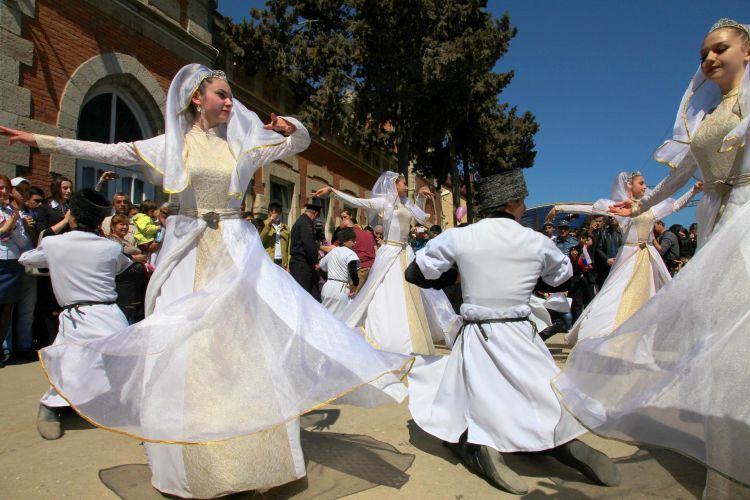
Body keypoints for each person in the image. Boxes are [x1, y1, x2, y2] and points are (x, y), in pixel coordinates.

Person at [1, 64, 409, 498]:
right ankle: (191, 460)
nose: (231, 102)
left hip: (235, 249)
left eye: (232, 96)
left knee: (242, 349)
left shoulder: (243, 143)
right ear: (197, 98)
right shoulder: (172, 145)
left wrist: (292, 126)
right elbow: (113, 151)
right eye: (222, 95)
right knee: (185, 348)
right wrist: (41, 139)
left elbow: (299, 143)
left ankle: (252, 459)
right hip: (190, 248)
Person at [555, 19, 750, 497]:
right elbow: (681, 174)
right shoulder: (704, 120)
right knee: (722, 333)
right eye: (703, 53)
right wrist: (638, 205)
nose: (708, 59)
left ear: (747, 51)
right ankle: (730, 461)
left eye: (719, 48)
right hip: (719, 220)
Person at [405, 169, 620, 495]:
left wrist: (457, 276)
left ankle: (480, 446)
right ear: (514, 202)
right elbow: (561, 279)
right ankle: (561, 441)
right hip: (523, 333)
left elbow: (416, 273)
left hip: (480, 333)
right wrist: (528, 277)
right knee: (536, 392)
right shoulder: (537, 241)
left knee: (470, 395)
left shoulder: (460, 237)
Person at [19, 189, 133, 439]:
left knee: (78, 363)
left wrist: (52, 238)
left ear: (72, 217)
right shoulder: (110, 247)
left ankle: (64, 406)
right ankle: (54, 405)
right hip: (101, 316)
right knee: (79, 361)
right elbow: (123, 265)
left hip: (88, 314)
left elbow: (26, 258)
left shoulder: (53, 244)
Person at [312, 173, 461, 355]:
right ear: (394, 184)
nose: (406, 186)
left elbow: (421, 218)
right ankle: (389, 333)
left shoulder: (407, 202)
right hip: (390, 251)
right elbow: (358, 202)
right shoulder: (385, 202)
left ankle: (413, 331)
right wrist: (333, 191)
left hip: (406, 252)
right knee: (385, 290)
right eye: (403, 183)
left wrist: (421, 198)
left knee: (420, 291)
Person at [548, 172, 700, 345]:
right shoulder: (620, 207)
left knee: (653, 292)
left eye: (644, 184)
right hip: (630, 253)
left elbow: (675, 206)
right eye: (641, 183)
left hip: (649, 255)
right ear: (630, 186)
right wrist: (560, 207)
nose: (644, 187)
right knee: (615, 292)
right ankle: (600, 329)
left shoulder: (650, 207)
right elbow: (591, 208)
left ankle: (644, 333)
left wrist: (693, 191)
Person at [0, 175, 28, 367]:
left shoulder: (13, 211)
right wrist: (9, 225)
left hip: (12, 263)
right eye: (0, 188)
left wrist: (15, 222)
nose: (3, 192)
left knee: (6, 309)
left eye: (6, 188)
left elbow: (23, 242)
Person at [319, 227, 359, 315]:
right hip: (341, 289)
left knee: (324, 316)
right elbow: (352, 269)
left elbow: (321, 266)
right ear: (346, 241)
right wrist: (355, 284)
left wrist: (329, 278)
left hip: (327, 287)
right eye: (352, 240)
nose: (355, 242)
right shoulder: (350, 253)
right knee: (340, 320)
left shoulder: (332, 252)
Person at [289, 198, 324, 299]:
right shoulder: (306, 223)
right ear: (316, 213)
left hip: (300, 264)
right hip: (302, 265)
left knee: (310, 295)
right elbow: (309, 244)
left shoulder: (301, 221)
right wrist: (316, 262)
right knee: (304, 296)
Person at [336, 208, 376, 293]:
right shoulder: (368, 234)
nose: (342, 219)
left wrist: (319, 246)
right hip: (372, 269)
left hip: (359, 269)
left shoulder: (348, 235)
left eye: (344, 217)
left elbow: (333, 248)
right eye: (341, 218)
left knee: (353, 297)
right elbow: (375, 249)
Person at [259, 201, 290, 268]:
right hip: (268, 261)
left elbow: (289, 248)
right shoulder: (263, 224)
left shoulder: (285, 228)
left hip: (282, 262)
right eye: (271, 210)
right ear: (269, 212)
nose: (274, 212)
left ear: (280, 212)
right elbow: (260, 241)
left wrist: (288, 266)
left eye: (276, 210)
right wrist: (269, 224)